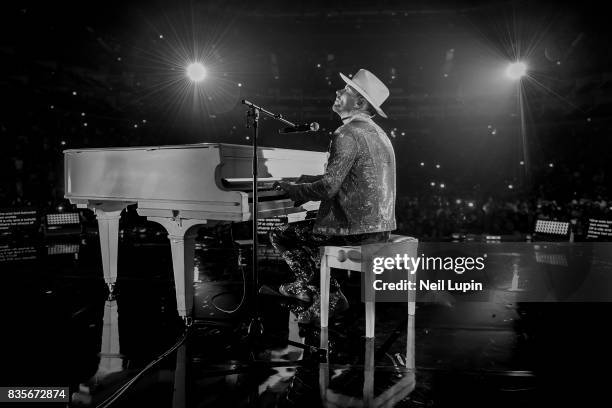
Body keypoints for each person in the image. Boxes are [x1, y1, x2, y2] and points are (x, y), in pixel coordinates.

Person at [271, 68, 396, 323]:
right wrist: (306, 181)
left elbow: (328, 188)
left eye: (346, 90)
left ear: (360, 102)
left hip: (355, 230)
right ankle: (306, 288)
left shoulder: (346, 133)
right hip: (379, 227)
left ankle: (327, 295)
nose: (338, 92)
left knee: (281, 234)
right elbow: (351, 178)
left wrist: (295, 191)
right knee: (310, 230)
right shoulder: (379, 134)